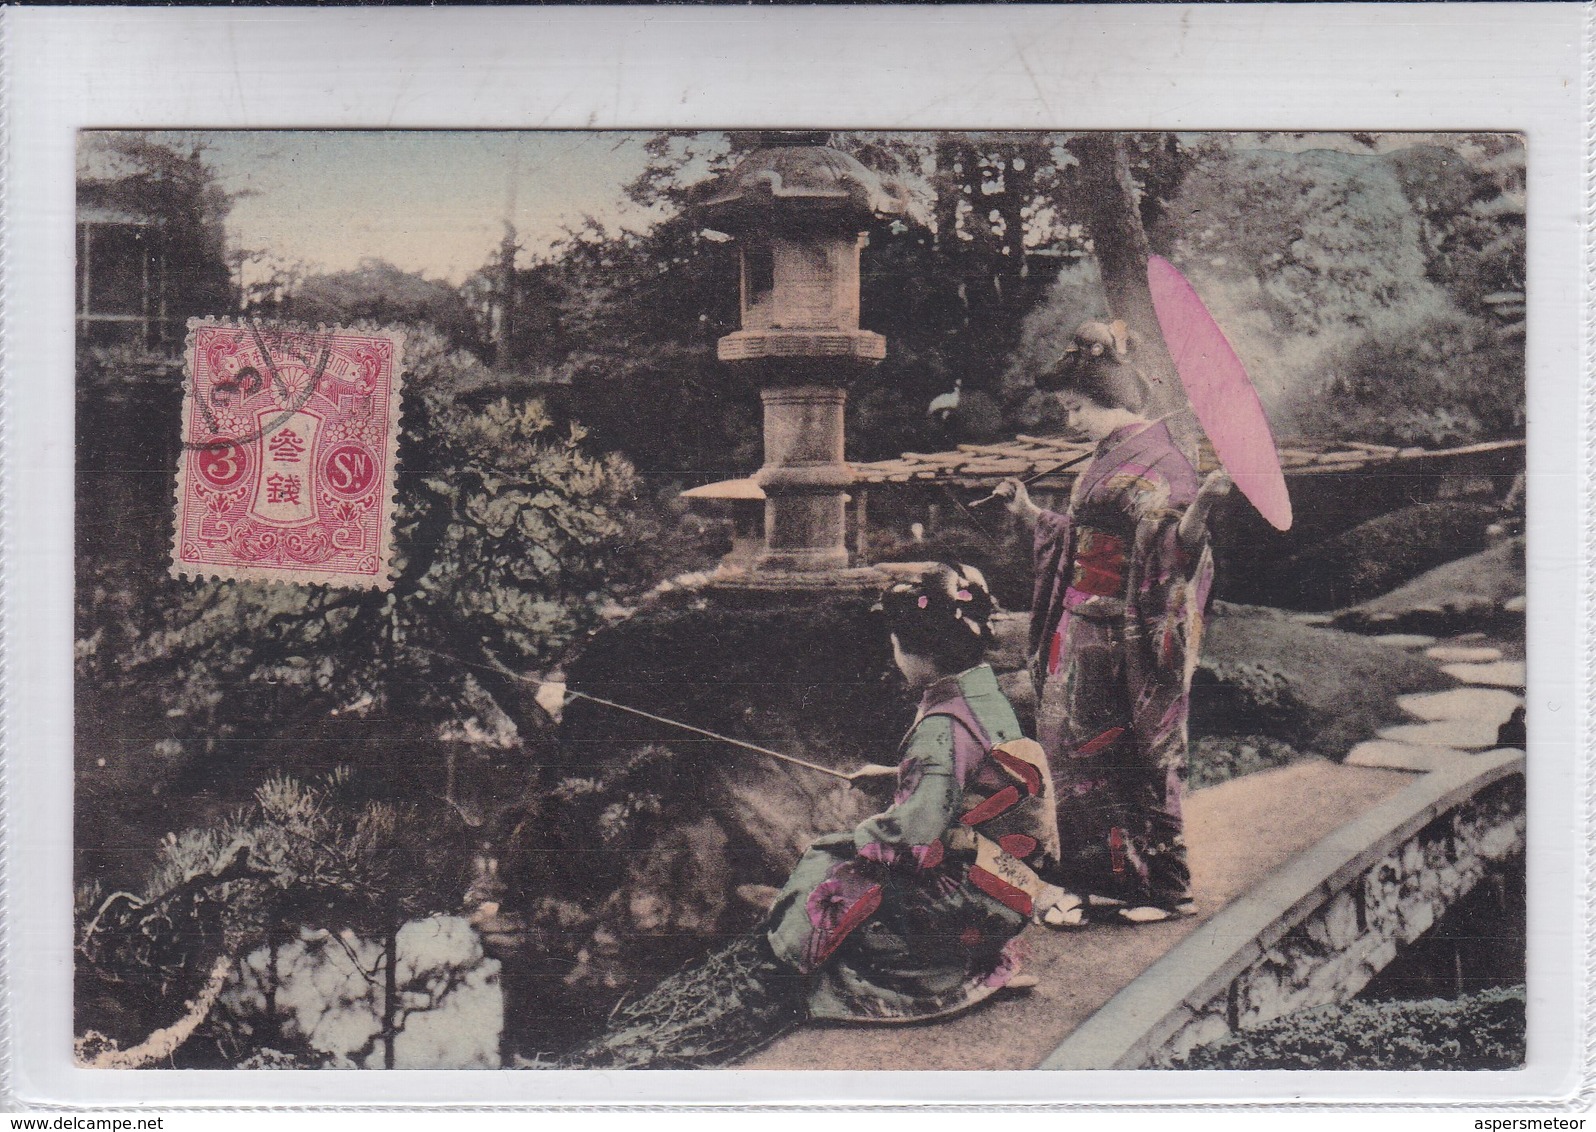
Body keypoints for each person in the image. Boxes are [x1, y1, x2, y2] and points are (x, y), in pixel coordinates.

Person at [764, 563, 1077, 1024]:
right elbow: (974, 778)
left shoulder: (939, 728)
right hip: (1010, 876)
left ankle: (935, 976)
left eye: (896, 645)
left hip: (976, 897)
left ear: (917, 652)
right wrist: (897, 775)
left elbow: (909, 834)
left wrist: (849, 840)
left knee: (825, 878)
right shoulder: (983, 697)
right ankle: (975, 959)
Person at [993, 320, 1230, 923]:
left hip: (1124, 635)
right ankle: (1093, 884)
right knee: (1073, 761)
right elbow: (1078, 537)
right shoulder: (1107, 457)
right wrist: (1028, 513)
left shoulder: (1164, 461)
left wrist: (1200, 507)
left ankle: (1162, 887)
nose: (1070, 420)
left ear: (1111, 398)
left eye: (1076, 408)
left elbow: (1173, 551)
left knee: (1135, 756)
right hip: (1078, 629)